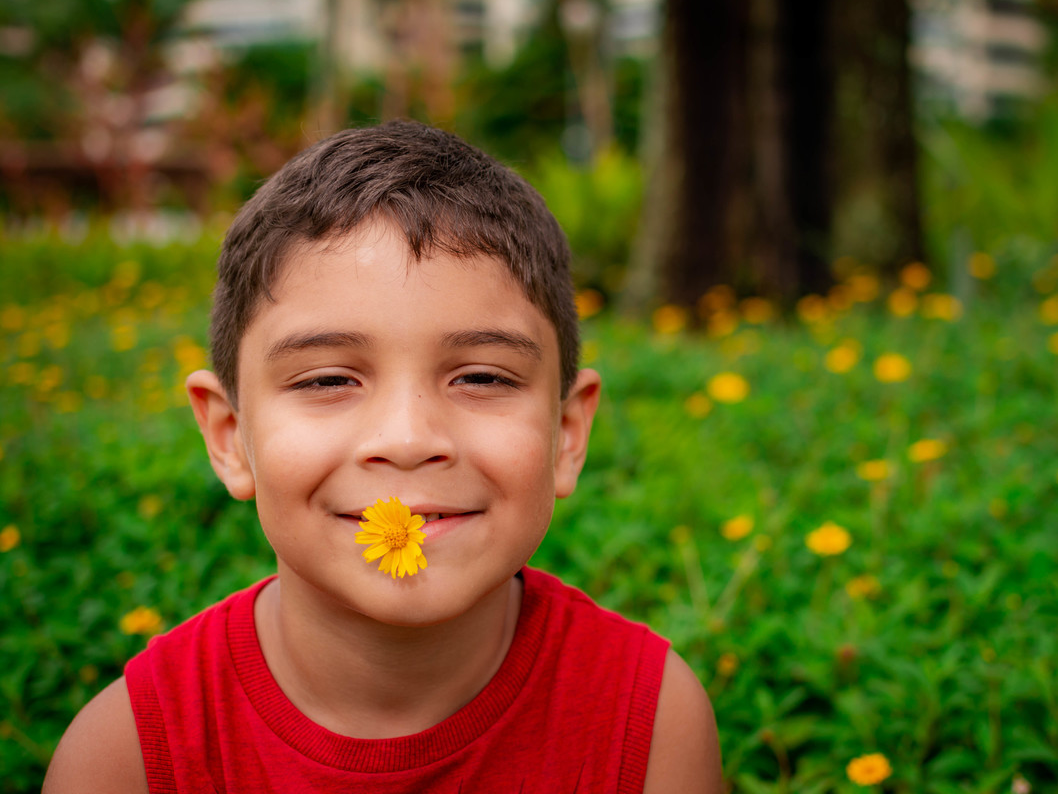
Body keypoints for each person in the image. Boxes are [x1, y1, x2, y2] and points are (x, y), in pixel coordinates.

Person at [43, 120, 722, 793]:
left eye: (481, 377)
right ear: (229, 436)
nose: (406, 439)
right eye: (328, 380)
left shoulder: (653, 722)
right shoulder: (124, 759)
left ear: (566, 434)